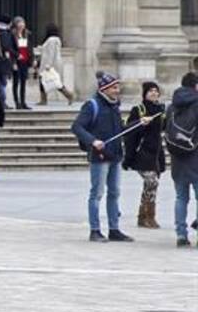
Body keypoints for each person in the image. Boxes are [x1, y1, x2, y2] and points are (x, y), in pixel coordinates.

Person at [71, 72, 134, 242]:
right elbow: (76, 127)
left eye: (117, 87)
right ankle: (95, 230)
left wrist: (139, 123)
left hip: (115, 156)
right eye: (114, 87)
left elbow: (121, 130)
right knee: (97, 193)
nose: (117, 90)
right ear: (104, 89)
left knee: (114, 192)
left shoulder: (115, 106)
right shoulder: (92, 105)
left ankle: (114, 229)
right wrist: (93, 141)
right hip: (99, 157)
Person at [122, 81, 167, 230]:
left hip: (156, 153)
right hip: (142, 153)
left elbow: (165, 128)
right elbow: (128, 131)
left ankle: (142, 217)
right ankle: (149, 216)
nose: (154, 93)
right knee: (152, 182)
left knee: (149, 185)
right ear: (144, 94)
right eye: (150, 91)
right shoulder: (139, 109)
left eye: (156, 91)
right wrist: (141, 123)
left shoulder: (161, 110)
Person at [168, 72, 198, 247]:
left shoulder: (172, 106)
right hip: (195, 157)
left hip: (177, 158)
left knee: (181, 198)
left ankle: (181, 234)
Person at [36, 24, 74, 105]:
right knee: (52, 82)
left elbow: (51, 53)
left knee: (53, 82)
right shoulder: (55, 40)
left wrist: (48, 65)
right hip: (52, 63)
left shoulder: (51, 40)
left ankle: (68, 95)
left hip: (48, 64)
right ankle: (44, 99)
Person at [0, 15, 17, 107]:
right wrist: (16, 55)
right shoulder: (5, 34)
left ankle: (0, 102)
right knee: (2, 83)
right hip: (3, 62)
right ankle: (2, 102)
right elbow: (7, 47)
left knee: (0, 83)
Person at [11, 16, 32, 110]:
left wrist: (33, 58)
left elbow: (30, 47)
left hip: (25, 61)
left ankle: (23, 101)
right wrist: (13, 61)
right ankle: (17, 102)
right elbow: (11, 49)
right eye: (19, 23)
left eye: (23, 23)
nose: (22, 25)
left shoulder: (27, 34)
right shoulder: (12, 35)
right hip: (17, 61)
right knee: (16, 82)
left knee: (23, 82)